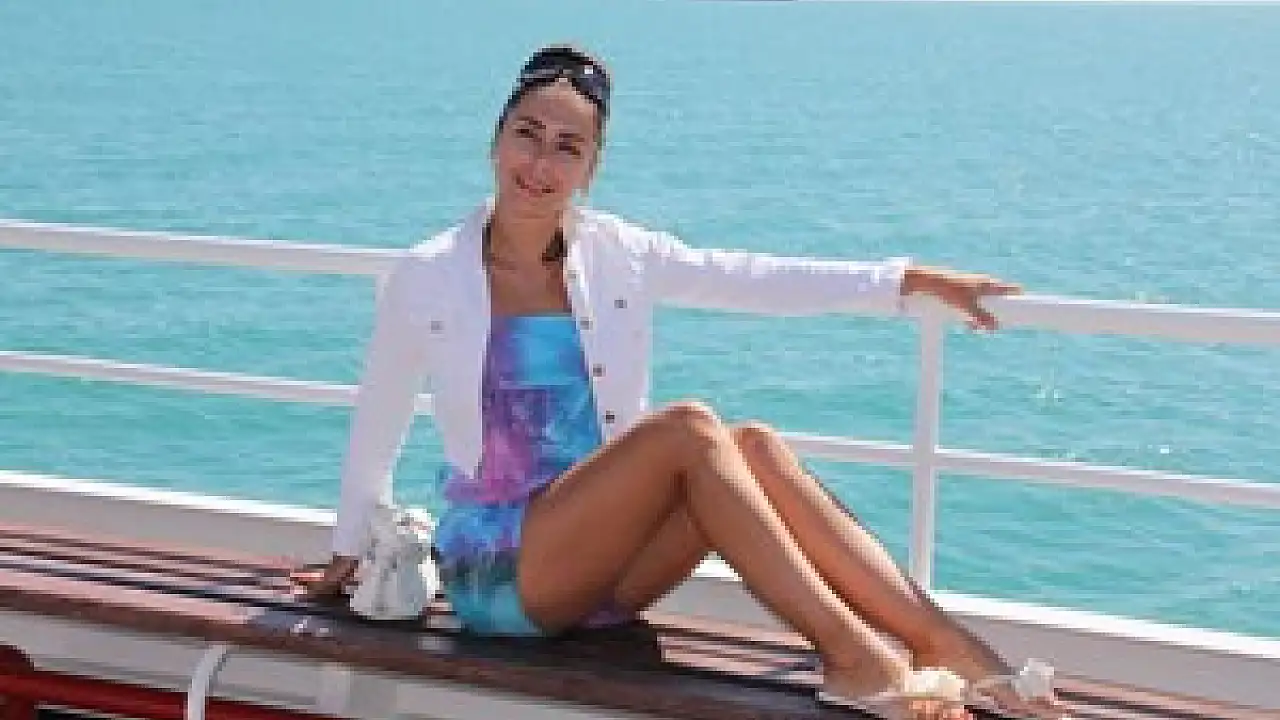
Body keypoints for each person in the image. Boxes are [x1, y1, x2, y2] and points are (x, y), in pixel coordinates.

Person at [292, 44, 1069, 720]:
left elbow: (755, 277)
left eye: (568, 146)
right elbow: (381, 411)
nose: (541, 163)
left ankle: (943, 643)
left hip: (609, 572)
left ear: (591, 168)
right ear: (496, 140)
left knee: (752, 446)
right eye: (527, 134)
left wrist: (903, 281)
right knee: (689, 430)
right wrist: (347, 547)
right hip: (504, 572)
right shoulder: (428, 273)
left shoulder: (618, 252)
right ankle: (854, 659)